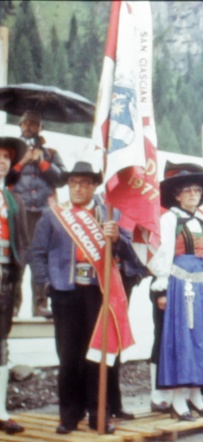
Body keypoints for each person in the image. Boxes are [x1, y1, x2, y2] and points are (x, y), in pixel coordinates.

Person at [30, 162, 139, 434]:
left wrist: (118, 239)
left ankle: (98, 414)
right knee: (68, 356)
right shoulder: (53, 215)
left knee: (98, 355)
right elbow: (37, 253)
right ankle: (69, 414)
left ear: (93, 186)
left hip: (98, 293)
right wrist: (45, 285)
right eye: (73, 183)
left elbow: (129, 255)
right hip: (65, 294)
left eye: (84, 183)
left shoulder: (108, 214)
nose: (78, 188)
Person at [148, 167, 203, 421]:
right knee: (183, 338)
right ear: (178, 195)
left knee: (202, 338)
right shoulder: (170, 219)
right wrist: (162, 288)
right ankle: (178, 400)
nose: (193, 194)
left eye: (197, 191)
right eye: (188, 191)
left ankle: (196, 394)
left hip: (202, 283)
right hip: (180, 283)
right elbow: (163, 253)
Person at [10, 110, 66, 318]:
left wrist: (42, 163)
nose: (29, 126)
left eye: (34, 123)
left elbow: (62, 179)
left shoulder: (51, 153)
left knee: (40, 259)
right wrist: (22, 162)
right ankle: (12, 305)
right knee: (17, 259)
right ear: (19, 124)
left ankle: (40, 304)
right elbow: (4, 177)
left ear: (41, 127)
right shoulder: (12, 150)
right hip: (18, 212)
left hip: (44, 214)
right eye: (26, 122)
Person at [0, 138, 29, 435]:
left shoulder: (14, 200)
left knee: (1, 343)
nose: (2, 160)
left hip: (4, 278)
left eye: (6, 156)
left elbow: (22, 246)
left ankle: (1, 411)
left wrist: (16, 281)